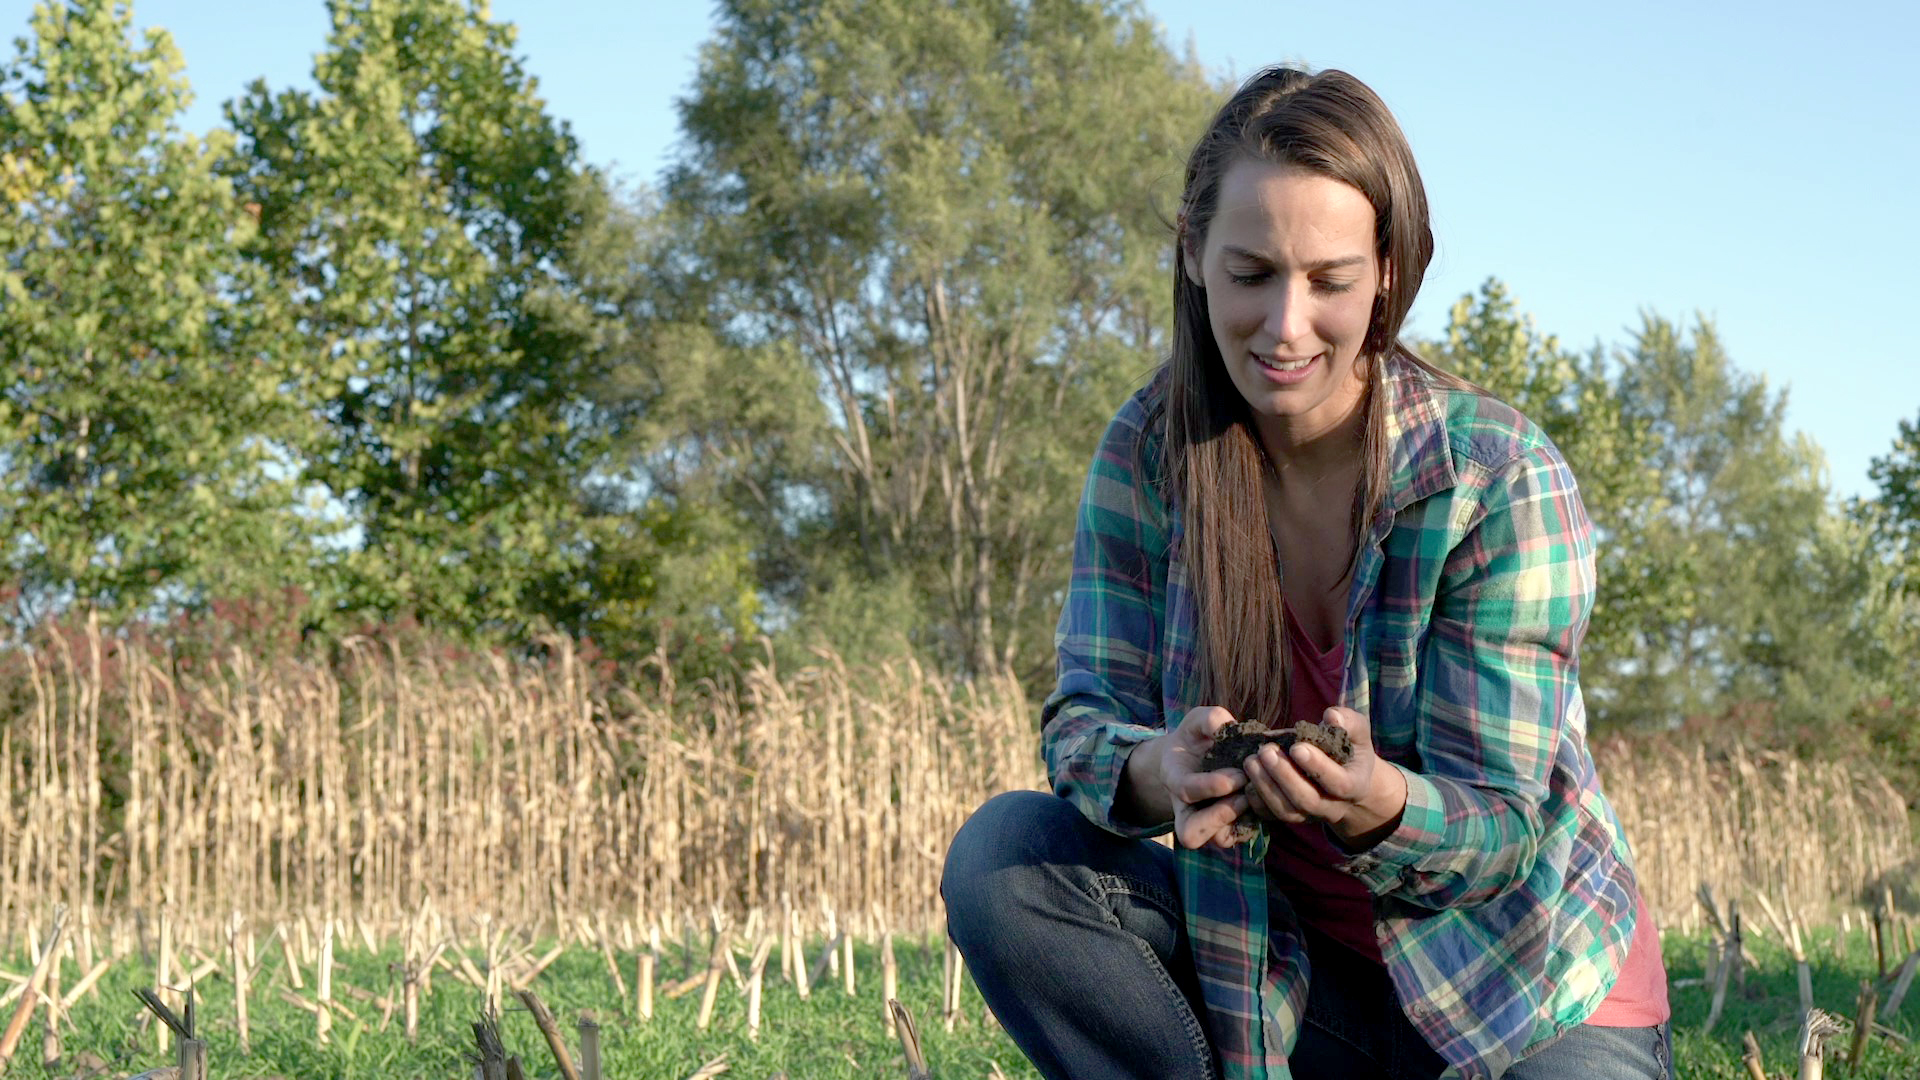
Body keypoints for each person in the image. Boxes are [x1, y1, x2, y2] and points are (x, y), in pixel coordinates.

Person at [940, 66, 1671, 1080]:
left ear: (1387, 274)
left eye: (1329, 281)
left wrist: (1375, 802)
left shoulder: (1497, 479)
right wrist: (1158, 770)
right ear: (1193, 256)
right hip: (1285, 988)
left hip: (1520, 997)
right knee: (1002, 861)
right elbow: (1083, 721)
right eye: (1251, 274)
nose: (1285, 327)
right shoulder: (1148, 454)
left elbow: (1502, 827)